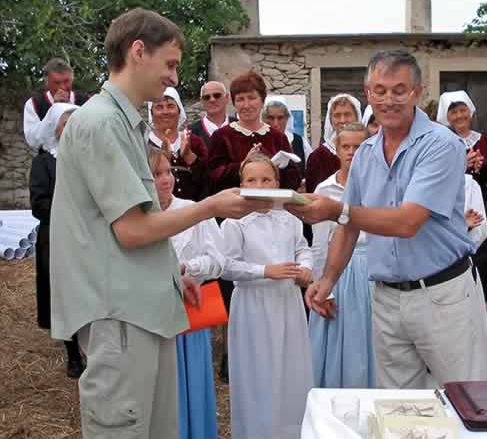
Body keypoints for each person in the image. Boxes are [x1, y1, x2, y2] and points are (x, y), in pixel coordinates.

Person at [49, 8, 272, 439]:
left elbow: (129, 221)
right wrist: (212, 207)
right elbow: (132, 230)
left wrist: (171, 274)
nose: (173, 78)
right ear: (137, 52)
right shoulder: (101, 123)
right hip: (119, 315)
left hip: (141, 310)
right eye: (169, 64)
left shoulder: (126, 123)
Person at [289, 50, 487, 388]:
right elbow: (349, 225)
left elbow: (407, 222)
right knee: (399, 409)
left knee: (467, 401)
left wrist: (333, 209)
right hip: (386, 297)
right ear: (368, 93)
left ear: (417, 92)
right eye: (379, 90)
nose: (388, 99)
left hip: (443, 294)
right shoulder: (367, 153)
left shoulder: (441, 145)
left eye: (399, 90)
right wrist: (328, 280)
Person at [220, 154, 314, 438]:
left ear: (277, 182)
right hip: (253, 305)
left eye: (266, 179)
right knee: (258, 372)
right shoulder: (234, 222)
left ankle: (291, 430)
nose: (259, 185)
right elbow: (226, 265)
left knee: (290, 370)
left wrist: (306, 268)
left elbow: (303, 248)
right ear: (242, 184)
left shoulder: (289, 219)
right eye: (252, 180)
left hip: (287, 303)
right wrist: (265, 270)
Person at [147, 146, 224, 439]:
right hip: (151, 318)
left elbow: (219, 261)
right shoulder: (136, 219)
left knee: (191, 383)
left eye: (168, 172)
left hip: (190, 312)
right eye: (156, 174)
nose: (166, 179)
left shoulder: (193, 210)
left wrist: (186, 268)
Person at [309, 122, 376, 388]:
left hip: (373, 269)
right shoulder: (324, 190)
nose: (351, 152)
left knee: (371, 337)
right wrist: (324, 283)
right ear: (336, 149)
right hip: (340, 271)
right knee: (341, 335)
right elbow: (319, 243)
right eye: (345, 146)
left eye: (358, 147)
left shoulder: (379, 185)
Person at [29, 103, 82, 378]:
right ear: (55, 129)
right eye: (65, 124)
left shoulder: (88, 157)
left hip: (88, 236)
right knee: (64, 295)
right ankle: (73, 354)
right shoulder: (44, 162)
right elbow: (39, 204)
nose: (70, 129)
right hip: (57, 237)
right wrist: (72, 208)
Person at [437, 90, 487, 301]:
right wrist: (463, 165)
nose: (459, 116)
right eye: (453, 112)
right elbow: (440, 175)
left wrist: (482, 165)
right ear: (447, 117)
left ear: (470, 112)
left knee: (483, 253)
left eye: (462, 110)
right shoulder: (443, 142)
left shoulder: (484, 141)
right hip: (455, 205)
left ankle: (481, 302)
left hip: (482, 204)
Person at [207, 71, 301, 192]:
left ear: (262, 101)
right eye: (240, 99)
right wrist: (243, 166)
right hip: (235, 207)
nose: (246, 105)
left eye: (252, 98)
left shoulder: (278, 137)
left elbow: (294, 180)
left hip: (271, 207)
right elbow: (212, 178)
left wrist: (275, 169)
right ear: (234, 103)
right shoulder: (222, 136)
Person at [148, 86, 208, 201]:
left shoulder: (194, 141)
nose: (165, 112)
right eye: (159, 107)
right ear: (152, 113)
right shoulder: (144, 144)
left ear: (179, 110)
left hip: (194, 211)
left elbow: (207, 180)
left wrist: (190, 157)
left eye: (170, 106)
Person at [23, 58, 90, 151]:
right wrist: (55, 111)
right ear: (47, 82)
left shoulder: (87, 101)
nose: (62, 87)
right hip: (48, 161)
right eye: (56, 83)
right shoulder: (34, 103)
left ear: (72, 79)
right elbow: (32, 140)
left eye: (67, 81)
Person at [304, 94, 362, 193]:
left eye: (347, 114)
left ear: (357, 116)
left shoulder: (368, 150)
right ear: (330, 119)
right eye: (337, 115)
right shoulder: (318, 157)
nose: (342, 120)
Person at [263, 95, 313, 173]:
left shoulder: (299, 142)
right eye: (271, 118)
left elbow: (312, 169)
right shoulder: (258, 140)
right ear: (263, 119)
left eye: (280, 118)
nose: (276, 124)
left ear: (287, 118)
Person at [187, 81, 236, 147]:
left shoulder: (240, 127)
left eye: (217, 95)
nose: (212, 100)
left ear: (227, 98)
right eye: (207, 97)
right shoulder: (190, 133)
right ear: (202, 101)